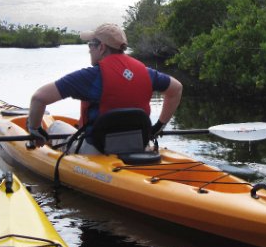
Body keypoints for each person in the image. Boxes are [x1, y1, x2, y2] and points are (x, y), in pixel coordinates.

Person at [26, 23, 183, 153]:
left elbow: (39, 98)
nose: (89, 49)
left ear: (101, 47)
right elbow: (176, 89)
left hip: (98, 150)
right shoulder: (146, 73)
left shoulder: (90, 76)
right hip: (137, 146)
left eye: (90, 44)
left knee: (55, 126)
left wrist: (35, 130)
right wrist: (158, 126)